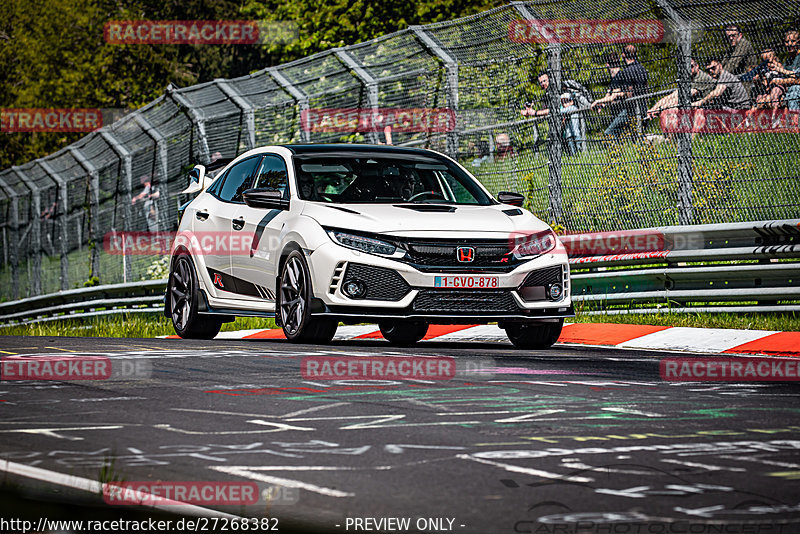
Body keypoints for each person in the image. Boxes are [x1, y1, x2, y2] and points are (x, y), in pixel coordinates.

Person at [647, 58, 715, 119]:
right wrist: (654, 108)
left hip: (707, 106)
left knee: (672, 110)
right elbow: (673, 95)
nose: (689, 69)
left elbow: (683, 96)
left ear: (697, 66)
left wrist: (660, 109)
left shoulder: (702, 77)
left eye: (691, 66)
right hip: (692, 103)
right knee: (671, 107)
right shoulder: (687, 78)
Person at [766, 30, 800, 110]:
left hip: (795, 91)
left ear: (798, 42)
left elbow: (798, 79)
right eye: (787, 42)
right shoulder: (788, 60)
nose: (789, 44)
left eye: (793, 41)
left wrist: (780, 72)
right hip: (787, 89)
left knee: (794, 90)